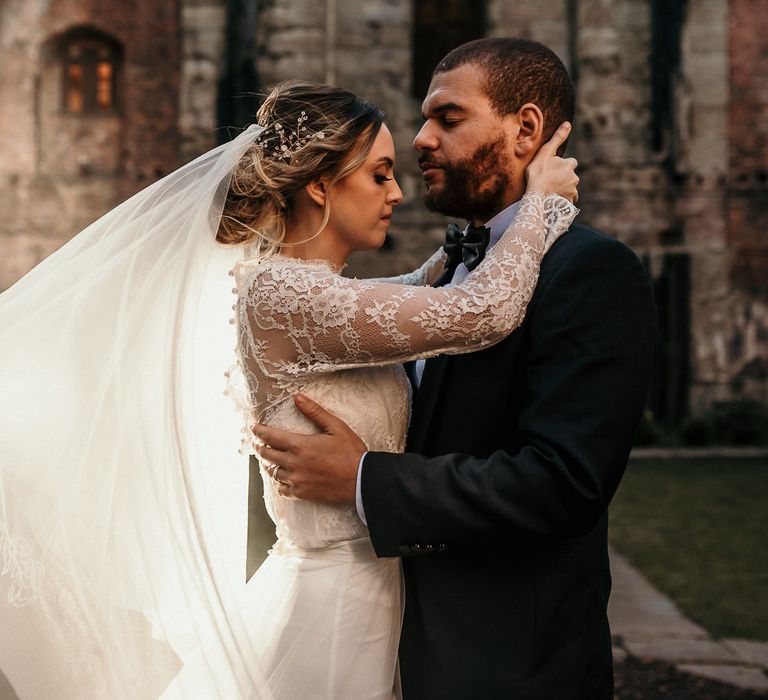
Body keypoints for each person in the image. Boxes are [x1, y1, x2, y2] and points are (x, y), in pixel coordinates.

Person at [0, 76, 577, 699]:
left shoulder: (314, 291)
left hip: (378, 596)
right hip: (333, 611)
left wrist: (453, 256)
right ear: (321, 185)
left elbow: (401, 296)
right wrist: (541, 202)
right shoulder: (283, 295)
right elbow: (479, 314)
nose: (397, 192)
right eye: (380, 175)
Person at [250, 39, 658, 699]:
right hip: (374, 639)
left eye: (447, 117)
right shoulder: (446, 281)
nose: (420, 140)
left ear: (525, 128)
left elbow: (563, 484)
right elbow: (473, 308)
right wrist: (538, 212)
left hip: (506, 670)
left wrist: (365, 480)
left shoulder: (589, 272)